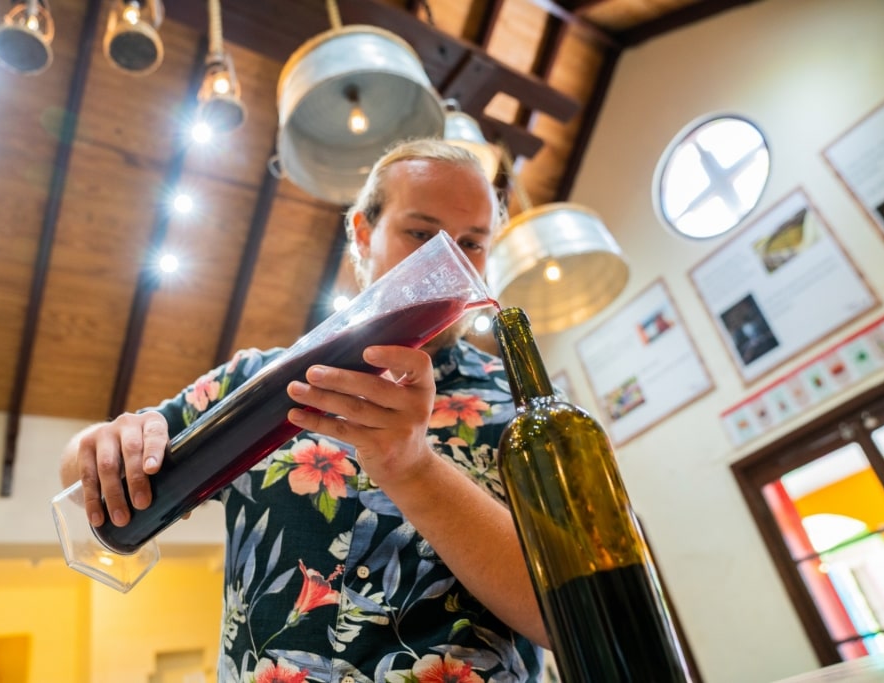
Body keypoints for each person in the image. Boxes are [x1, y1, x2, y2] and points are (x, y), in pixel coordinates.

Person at [60, 138, 551, 682]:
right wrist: (100, 448)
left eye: (472, 243)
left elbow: (566, 615)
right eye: (421, 233)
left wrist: (415, 471)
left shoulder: (526, 412)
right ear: (363, 235)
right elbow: (86, 481)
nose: (449, 261)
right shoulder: (255, 382)